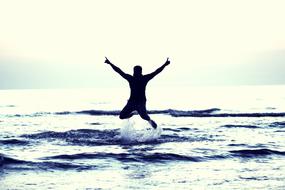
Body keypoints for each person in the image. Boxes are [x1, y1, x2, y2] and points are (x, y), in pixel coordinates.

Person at [105, 57, 170, 129]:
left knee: (144, 117)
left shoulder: (144, 78)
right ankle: (132, 113)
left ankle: (150, 120)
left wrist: (164, 65)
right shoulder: (131, 78)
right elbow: (119, 71)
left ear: (139, 72)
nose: (134, 73)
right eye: (134, 71)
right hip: (131, 101)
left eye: (135, 71)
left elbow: (156, 72)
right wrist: (110, 63)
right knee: (122, 116)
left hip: (141, 102)